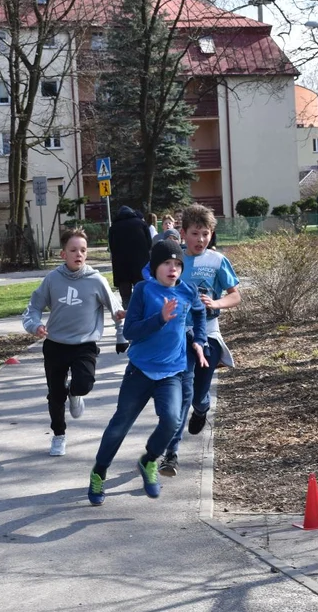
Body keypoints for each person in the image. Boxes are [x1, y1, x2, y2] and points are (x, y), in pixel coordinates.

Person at [87, 239, 208, 505]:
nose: (173, 268)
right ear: (155, 267)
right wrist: (160, 319)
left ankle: (149, 459)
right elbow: (130, 331)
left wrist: (200, 340)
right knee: (120, 426)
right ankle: (99, 472)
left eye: (177, 263)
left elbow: (200, 314)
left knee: (173, 420)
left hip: (172, 372)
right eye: (166, 263)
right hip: (140, 371)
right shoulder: (143, 290)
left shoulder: (187, 291)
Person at [22, 228, 127, 457]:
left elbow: (116, 308)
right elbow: (33, 308)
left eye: (83, 250)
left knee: (84, 384)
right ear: (63, 254)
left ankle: (76, 392)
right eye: (73, 250)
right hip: (56, 344)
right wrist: (36, 325)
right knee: (55, 395)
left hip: (84, 344)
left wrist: (121, 335)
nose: (79, 254)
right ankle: (59, 436)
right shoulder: (52, 280)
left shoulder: (96, 280)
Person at [158, 203, 241, 477]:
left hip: (210, 334)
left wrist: (216, 302)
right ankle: (171, 455)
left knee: (197, 394)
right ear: (183, 233)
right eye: (195, 233)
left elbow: (235, 295)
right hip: (178, 338)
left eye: (206, 233)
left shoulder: (217, 261)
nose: (201, 240)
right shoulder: (174, 260)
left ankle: (202, 406)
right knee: (182, 393)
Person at [107, 205, 152, 309]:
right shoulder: (141, 223)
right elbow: (149, 243)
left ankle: (128, 313)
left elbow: (112, 247)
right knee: (141, 291)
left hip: (121, 265)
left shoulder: (114, 227)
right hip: (140, 264)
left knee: (126, 295)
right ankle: (142, 313)